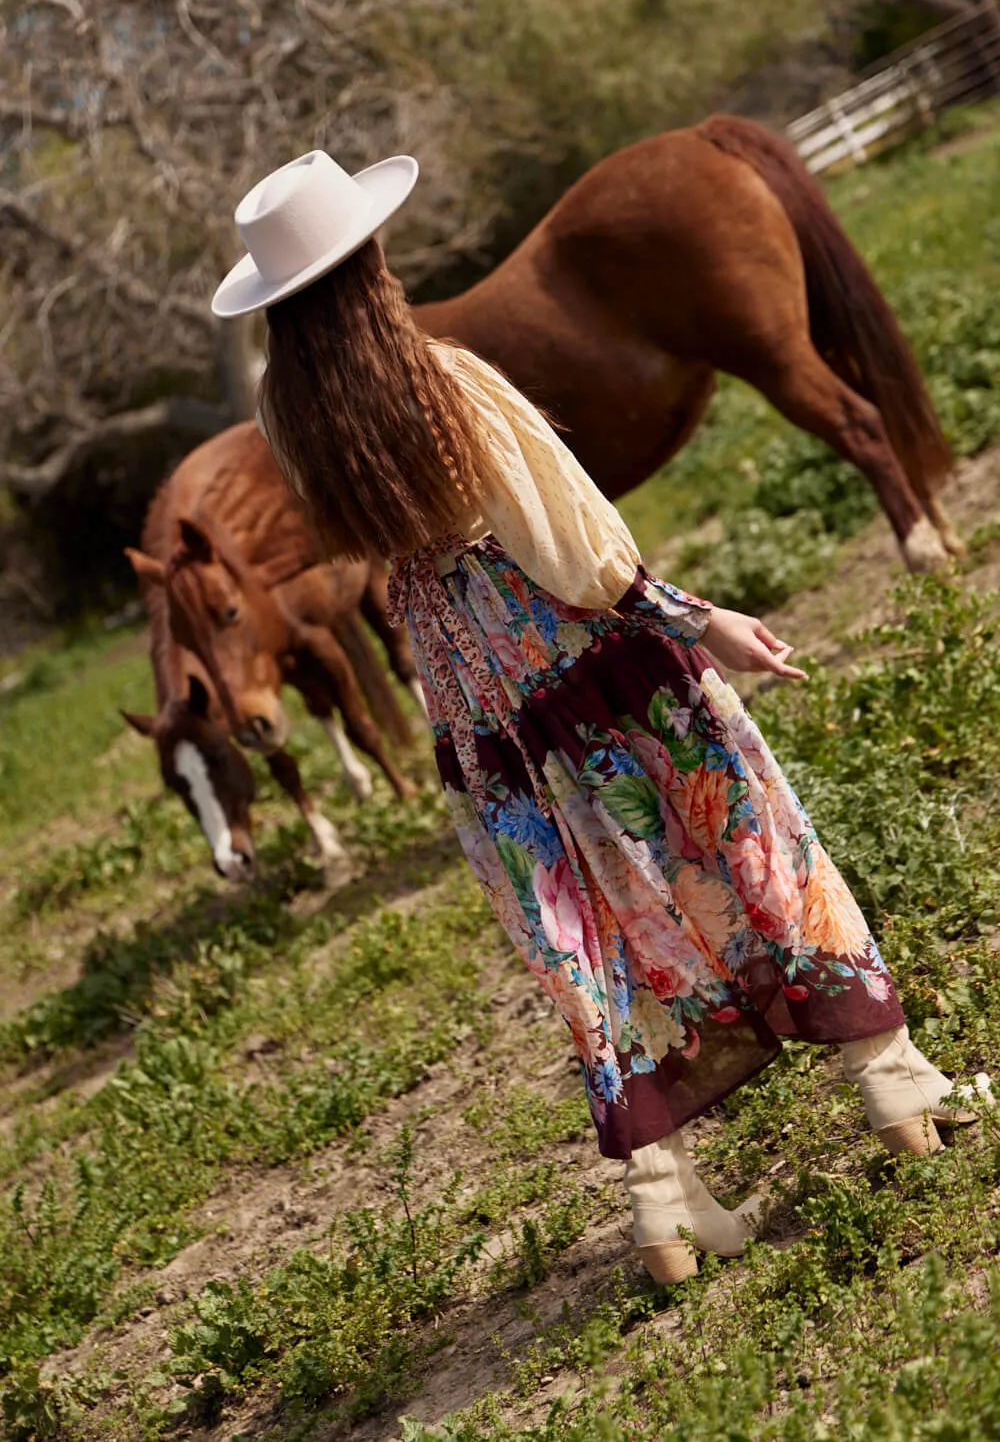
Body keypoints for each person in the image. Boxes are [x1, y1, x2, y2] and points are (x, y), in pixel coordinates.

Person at [212, 149, 988, 1284]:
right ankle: (895, 1088)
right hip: (574, 645)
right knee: (743, 830)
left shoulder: (294, 420)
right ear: (371, 260)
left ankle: (664, 1212)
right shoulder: (444, 380)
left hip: (471, 687)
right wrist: (690, 615)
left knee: (575, 921)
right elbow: (561, 536)